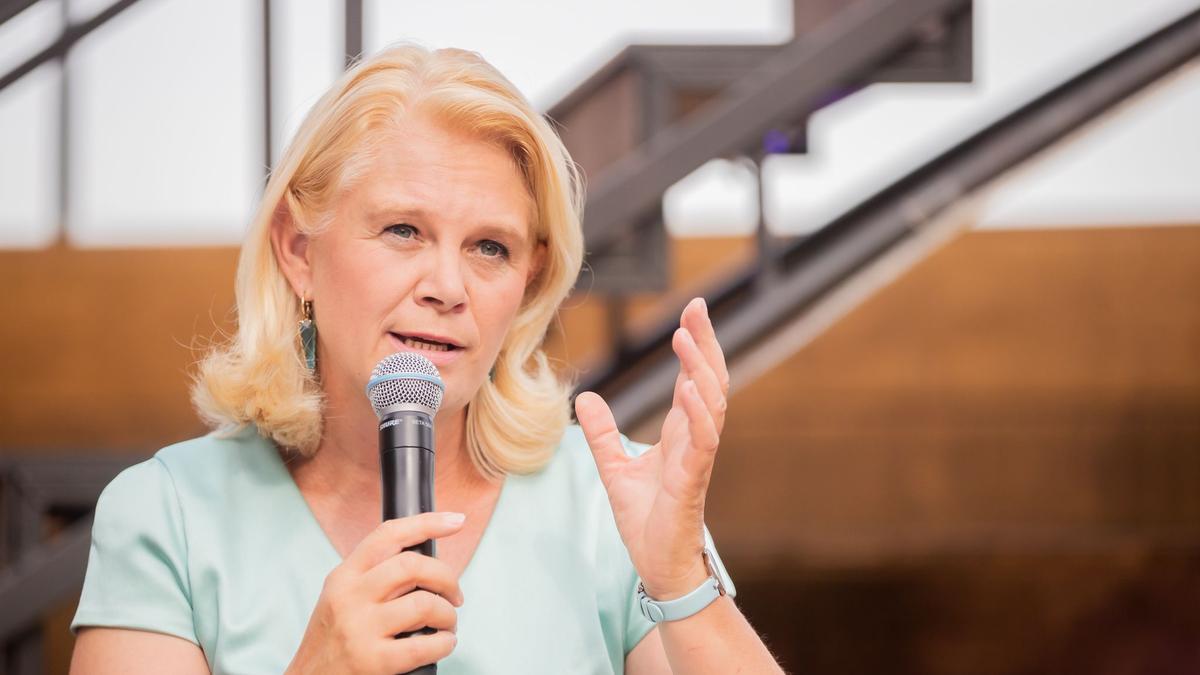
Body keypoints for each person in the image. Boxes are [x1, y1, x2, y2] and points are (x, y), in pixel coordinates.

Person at [68, 42, 783, 674]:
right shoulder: (168, 517)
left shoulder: (612, 505)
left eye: (490, 247)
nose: (448, 288)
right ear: (297, 248)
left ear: (529, 278)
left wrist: (679, 579)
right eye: (404, 230)